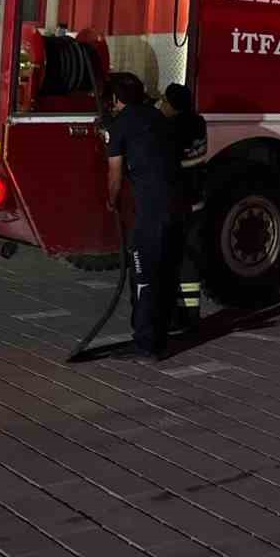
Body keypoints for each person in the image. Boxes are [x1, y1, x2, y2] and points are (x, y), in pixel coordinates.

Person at [103, 72, 185, 359]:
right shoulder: (158, 117)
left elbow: (114, 176)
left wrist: (111, 202)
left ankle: (145, 344)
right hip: (178, 207)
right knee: (165, 272)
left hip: (151, 211)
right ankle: (161, 335)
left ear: (115, 99)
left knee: (143, 276)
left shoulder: (119, 125)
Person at [159, 82, 208, 333]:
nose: (161, 105)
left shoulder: (171, 128)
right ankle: (191, 316)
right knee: (190, 261)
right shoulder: (198, 122)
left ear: (173, 105)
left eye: (164, 102)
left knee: (170, 259)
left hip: (176, 204)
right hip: (196, 200)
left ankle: (175, 318)